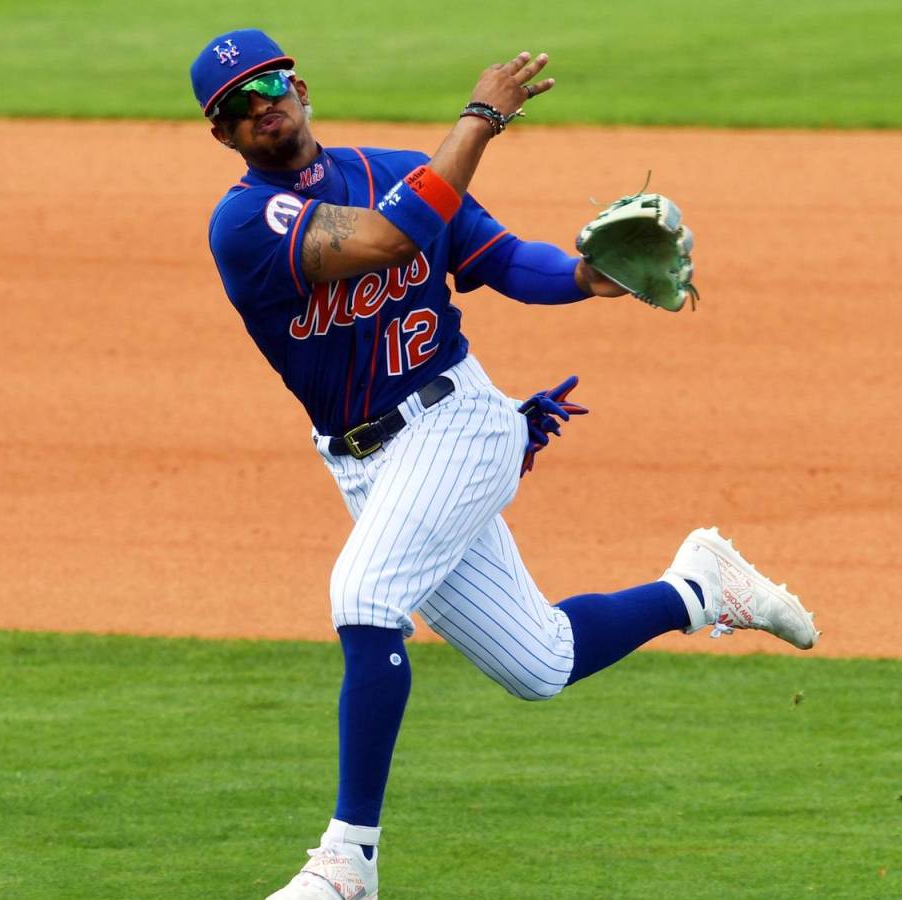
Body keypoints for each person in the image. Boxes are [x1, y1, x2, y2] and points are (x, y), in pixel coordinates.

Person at [189, 28, 820, 899]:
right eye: (237, 107)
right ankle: (703, 588)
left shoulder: (395, 168)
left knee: (363, 595)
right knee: (540, 662)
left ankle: (348, 860)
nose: (261, 109)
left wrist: (587, 278)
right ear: (222, 135)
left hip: (459, 426)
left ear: (300, 86)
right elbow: (379, 242)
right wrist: (482, 119)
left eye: (268, 86)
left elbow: (504, 261)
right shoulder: (244, 223)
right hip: (366, 465)